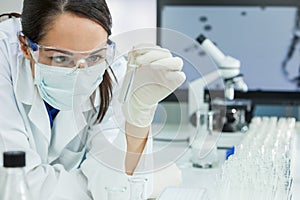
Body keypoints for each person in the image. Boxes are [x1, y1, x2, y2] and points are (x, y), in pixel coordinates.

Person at [0, 0, 185, 199]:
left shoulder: (112, 66)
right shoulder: (4, 58)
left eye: (95, 57)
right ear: (25, 47)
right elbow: (16, 185)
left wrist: (138, 119)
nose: (81, 74)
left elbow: (114, 190)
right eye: (60, 58)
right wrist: (136, 182)